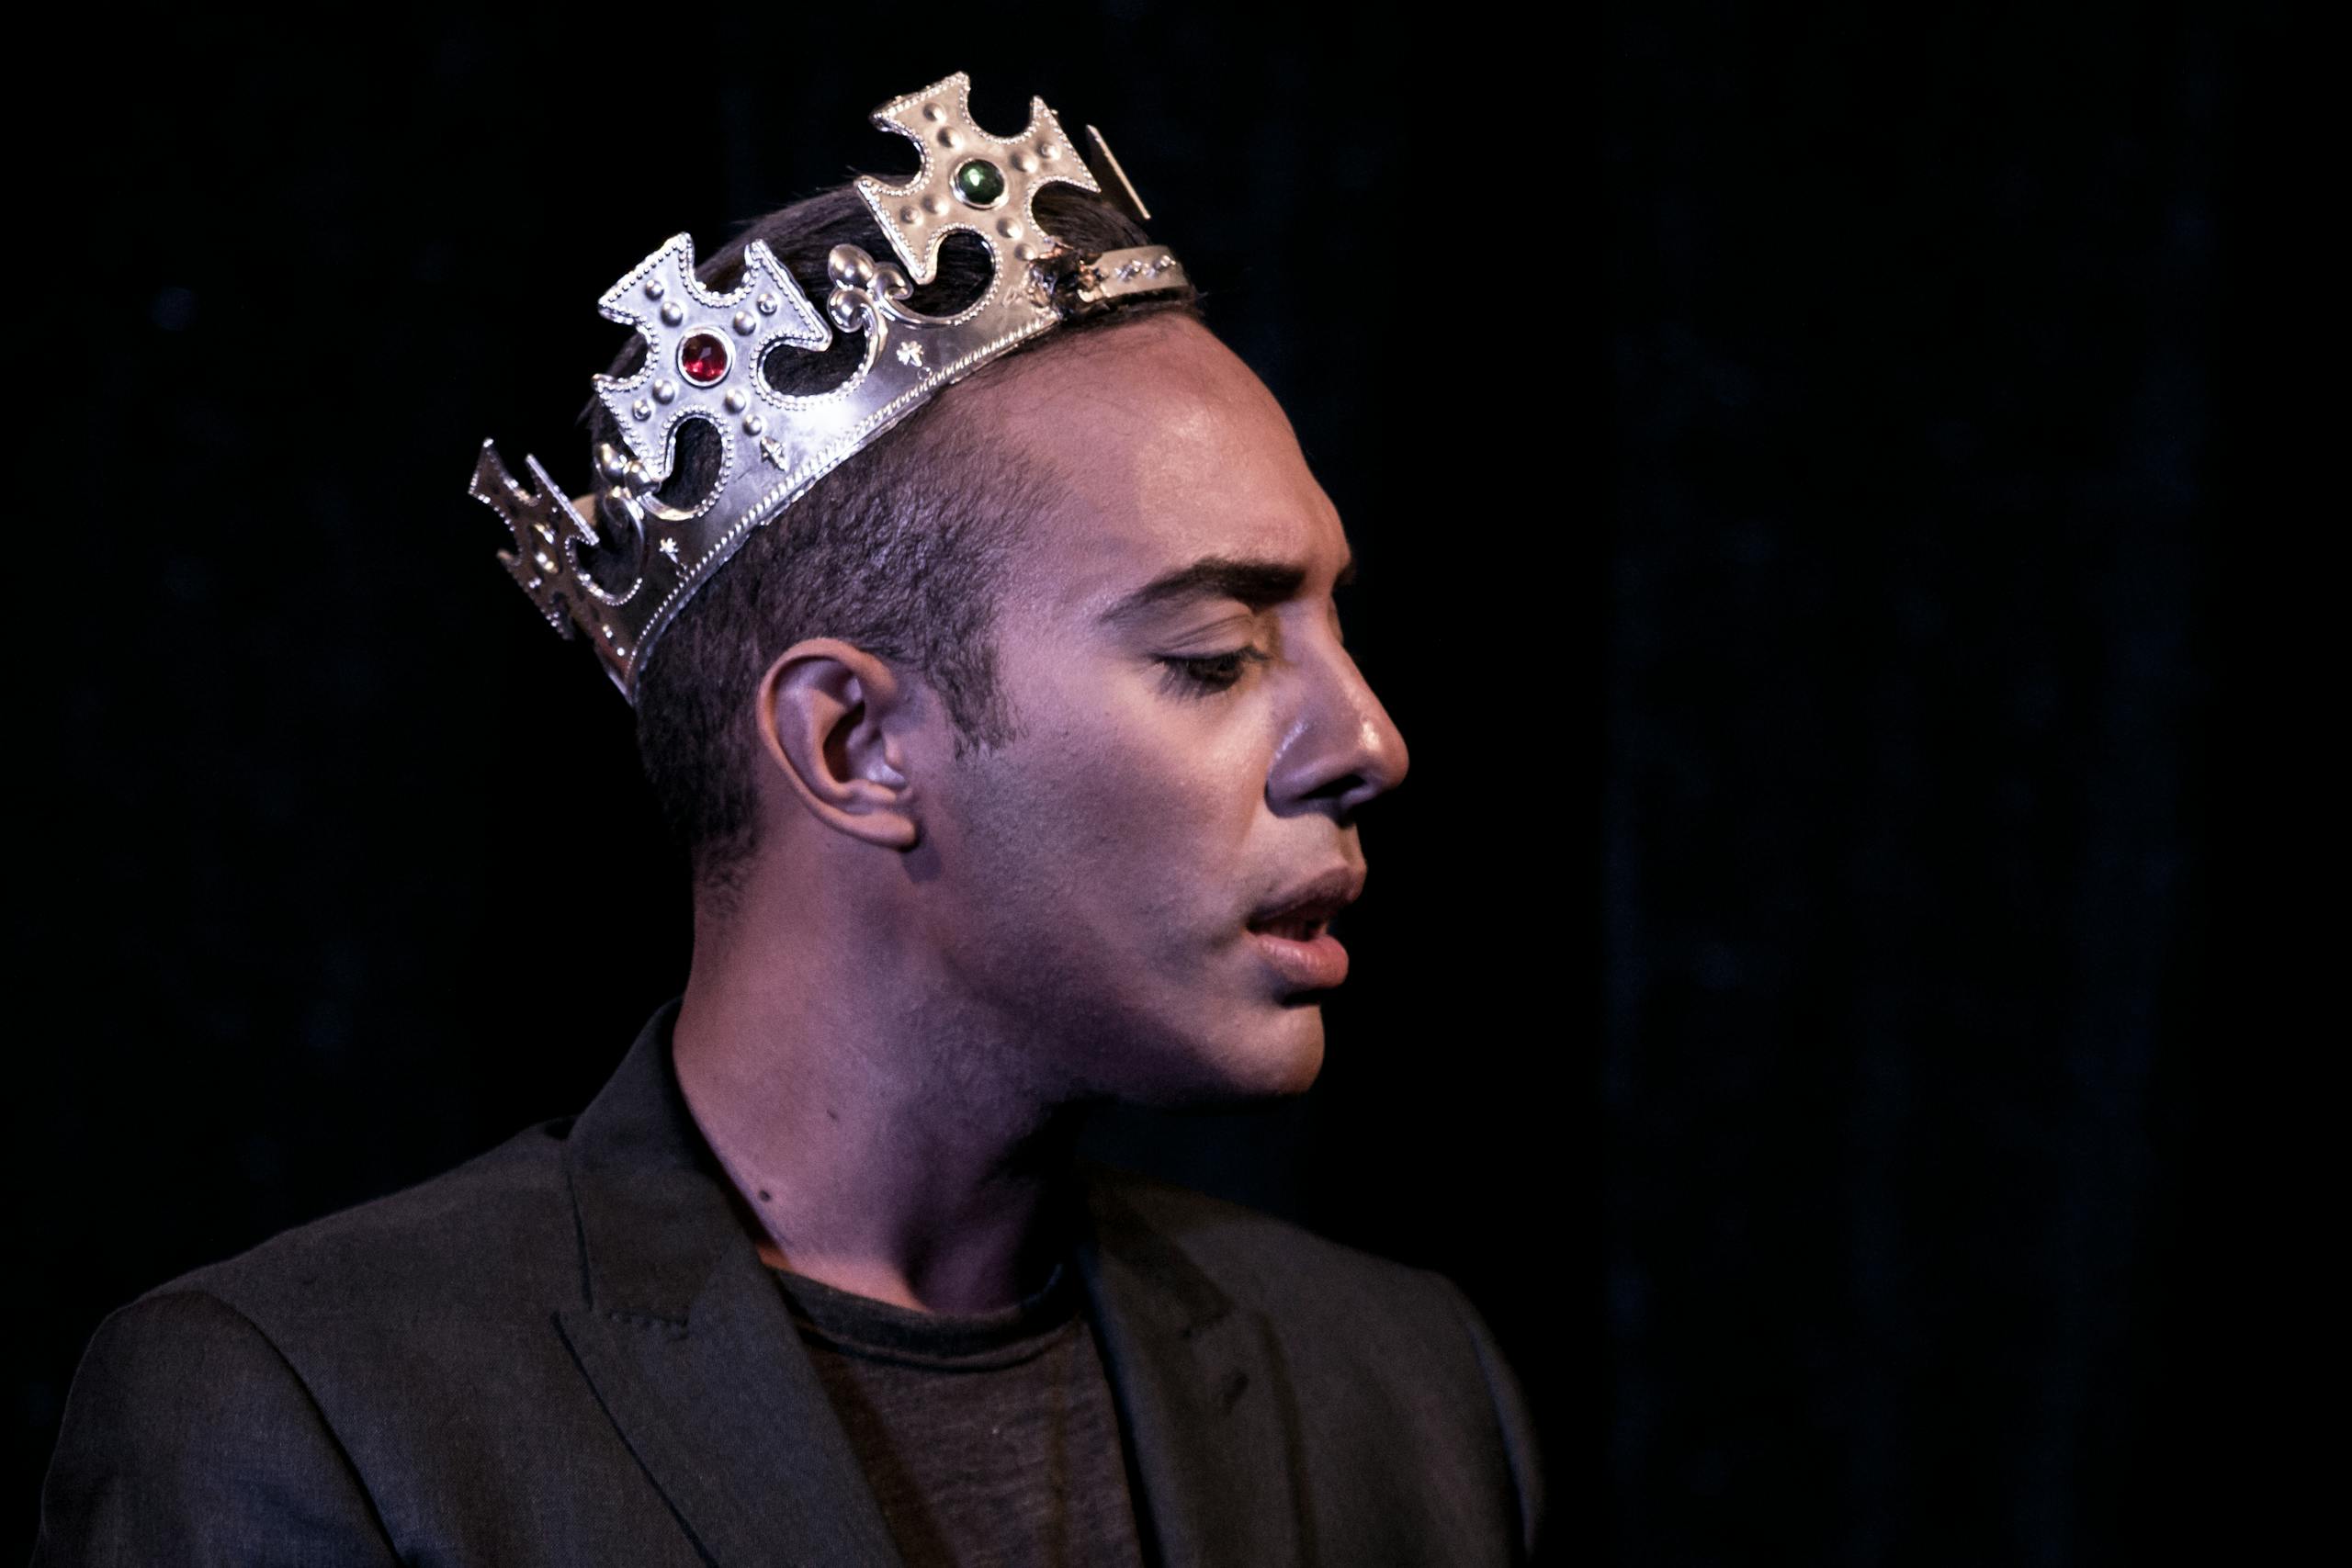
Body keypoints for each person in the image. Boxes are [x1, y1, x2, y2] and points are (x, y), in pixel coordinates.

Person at [36, 74, 1544, 1566]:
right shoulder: (314, 1421)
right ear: (855, 743)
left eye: (1343, 630)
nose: (1368, 742)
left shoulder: (1401, 1387)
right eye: (1213, 657)